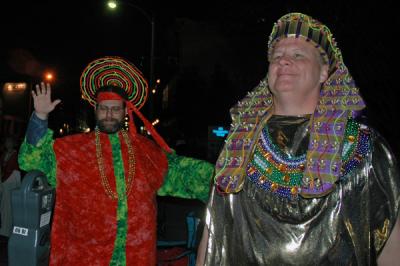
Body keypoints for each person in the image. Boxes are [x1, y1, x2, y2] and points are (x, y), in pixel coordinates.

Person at [196, 13, 400, 265]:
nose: (284, 62)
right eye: (277, 56)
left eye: (298, 55)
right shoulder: (240, 143)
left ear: (324, 72)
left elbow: (389, 239)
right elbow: (214, 231)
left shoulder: (363, 147)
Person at [18, 56, 214, 266]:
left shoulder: (145, 150)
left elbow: (180, 173)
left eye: (115, 109)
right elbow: (32, 161)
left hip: (136, 256)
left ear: (125, 112)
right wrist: (39, 116)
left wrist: (223, 175)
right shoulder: (71, 149)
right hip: (84, 257)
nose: (109, 114)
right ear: (95, 110)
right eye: (103, 108)